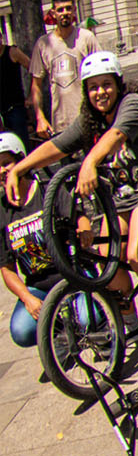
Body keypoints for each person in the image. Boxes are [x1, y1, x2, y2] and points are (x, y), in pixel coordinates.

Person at [4, 52, 138, 363]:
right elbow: (57, 145)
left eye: (106, 84)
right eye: (93, 87)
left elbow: (116, 136)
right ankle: (131, 324)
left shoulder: (132, 104)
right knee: (106, 258)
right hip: (124, 198)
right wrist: (19, 168)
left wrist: (90, 162)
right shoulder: (91, 118)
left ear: (118, 84)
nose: (100, 92)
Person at [0, 132, 60, 347]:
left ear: (21, 161)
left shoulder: (47, 189)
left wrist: (84, 230)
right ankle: (60, 334)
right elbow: (7, 269)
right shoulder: (2, 210)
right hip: (39, 286)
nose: (2, 171)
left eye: (6, 163)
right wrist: (28, 298)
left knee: (88, 319)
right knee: (21, 331)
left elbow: (81, 221)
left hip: (71, 276)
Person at [30, 0, 99, 139]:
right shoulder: (43, 44)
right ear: (53, 13)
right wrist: (40, 118)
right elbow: (36, 85)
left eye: (68, 8)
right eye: (60, 10)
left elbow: (101, 75)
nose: (65, 13)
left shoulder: (86, 38)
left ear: (74, 9)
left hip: (89, 118)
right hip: (61, 123)